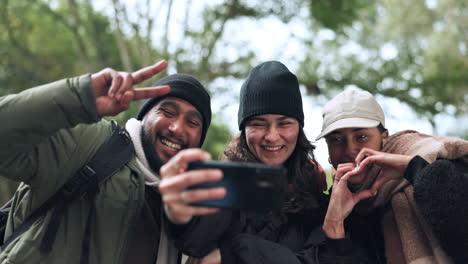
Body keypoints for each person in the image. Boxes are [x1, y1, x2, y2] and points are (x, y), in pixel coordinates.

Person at [0, 60, 213, 264]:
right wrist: (79, 96)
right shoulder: (90, 142)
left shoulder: (186, 209)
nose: (177, 128)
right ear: (144, 115)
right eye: (167, 112)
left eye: (193, 122)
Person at [159, 61, 372, 264]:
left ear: (299, 128)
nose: (271, 136)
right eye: (258, 124)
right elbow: (194, 243)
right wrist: (177, 213)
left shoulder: (319, 199)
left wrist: (233, 252)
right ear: (243, 130)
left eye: (284, 124)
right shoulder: (222, 187)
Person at [316, 88, 468, 263]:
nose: (350, 150)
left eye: (362, 136)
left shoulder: (435, 164)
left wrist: (414, 169)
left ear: (384, 137)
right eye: (336, 140)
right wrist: (334, 226)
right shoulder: (332, 206)